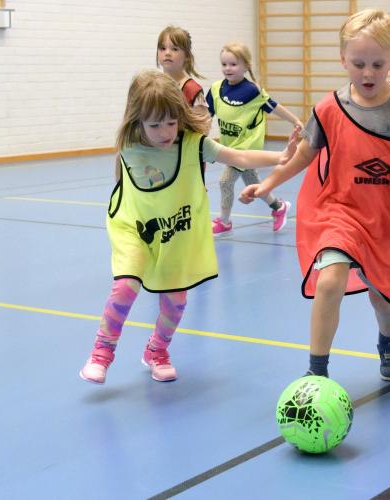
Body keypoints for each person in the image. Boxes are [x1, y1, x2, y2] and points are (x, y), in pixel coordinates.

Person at [239, 9, 390, 381]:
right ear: (342, 60)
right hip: (338, 212)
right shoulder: (330, 108)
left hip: (385, 219)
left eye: (378, 64)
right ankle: (316, 374)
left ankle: (388, 338)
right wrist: (269, 184)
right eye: (358, 63)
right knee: (330, 278)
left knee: (385, 300)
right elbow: (304, 154)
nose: (368, 73)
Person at [79, 70, 296, 385]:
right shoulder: (128, 144)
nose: (166, 131)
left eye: (171, 121)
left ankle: (156, 351)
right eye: (155, 124)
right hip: (133, 228)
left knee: (176, 301)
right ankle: (101, 354)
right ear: (137, 122)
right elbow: (125, 181)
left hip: (175, 232)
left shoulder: (193, 144)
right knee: (126, 286)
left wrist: (282, 156)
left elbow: (240, 156)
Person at [207, 42, 303, 236]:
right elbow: (204, 115)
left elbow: (274, 106)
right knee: (254, 183)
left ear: (245, 66)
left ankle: (224, 222)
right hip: (229, 148)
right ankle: (278, 207)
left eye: (233, 64)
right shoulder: (216, 89)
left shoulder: (253, 91)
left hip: (245, 149)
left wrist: (295, 120)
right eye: (224, 64)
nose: (228, 68)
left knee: (225, 182)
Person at [156, 25, 207, 111]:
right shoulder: (154, 85)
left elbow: (204, 123)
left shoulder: (192, 89)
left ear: (187, 56)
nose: (167, 53)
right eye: (163, 48)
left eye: (175, 49)